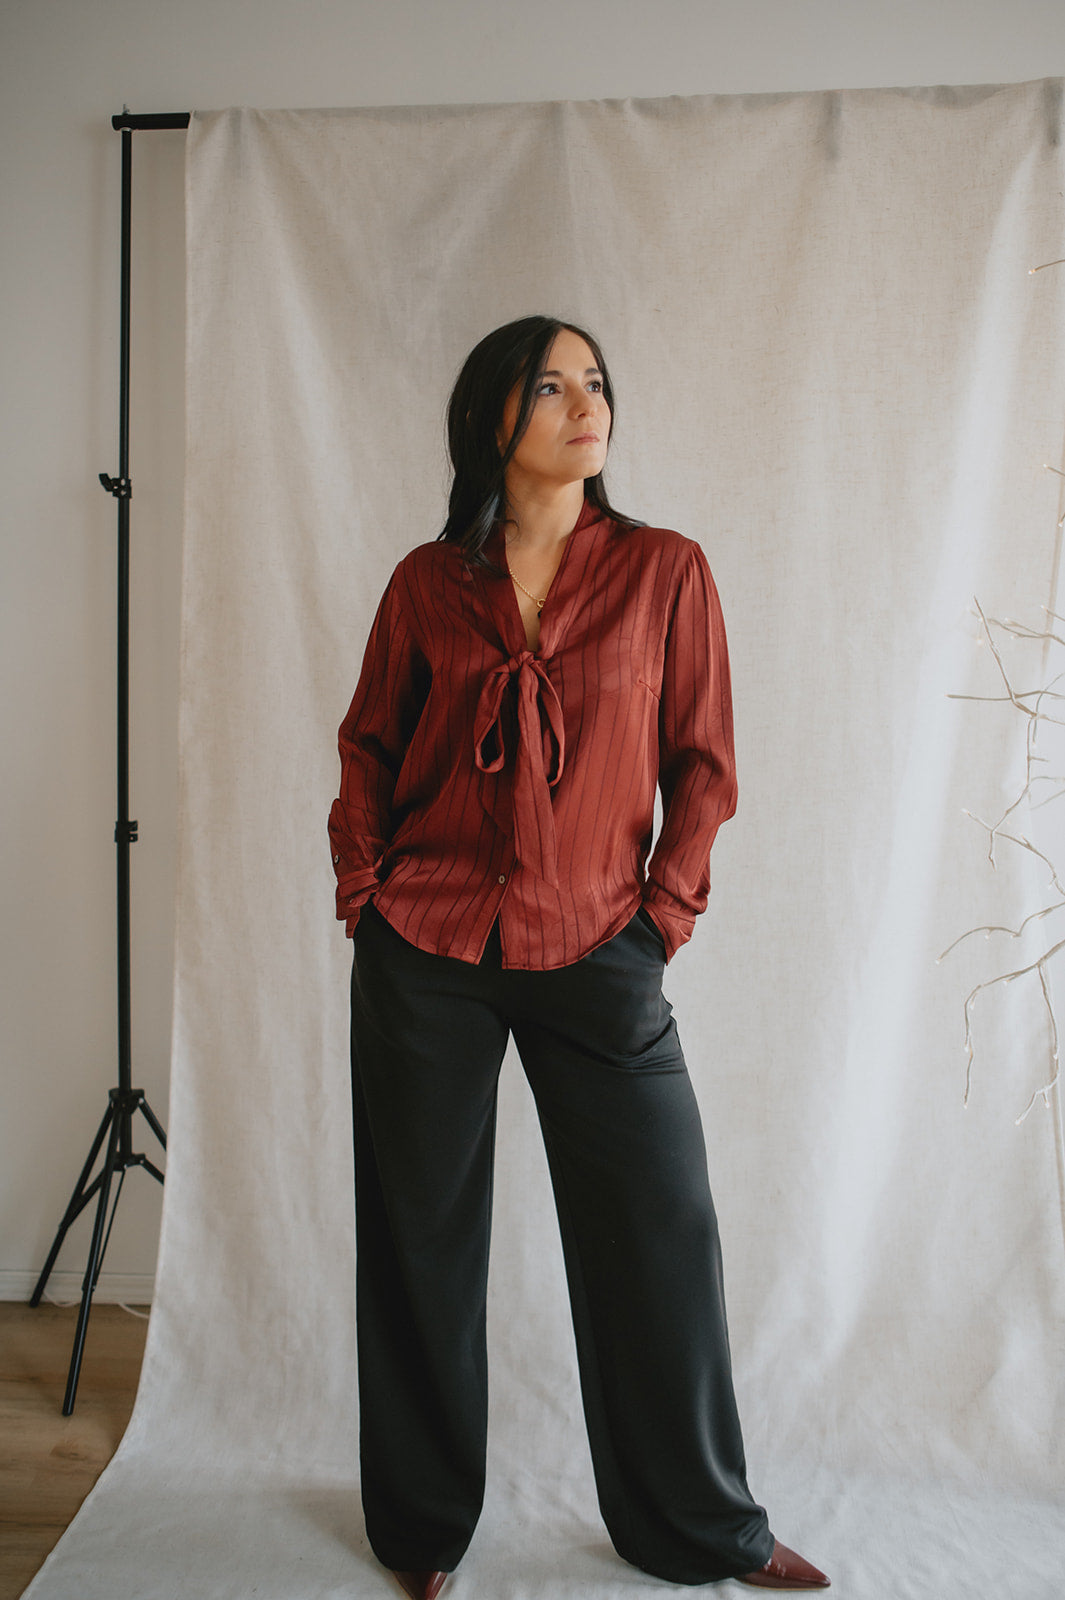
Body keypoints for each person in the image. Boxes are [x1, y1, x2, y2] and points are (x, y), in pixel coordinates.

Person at [329, 315, 829, 1600]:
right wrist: (365, 890)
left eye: (593, 382)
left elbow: (704, 765)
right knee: (420, 1242)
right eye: (549, 386)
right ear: (489, 418)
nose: (583, 403)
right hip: (426, 946)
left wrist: (660, 921)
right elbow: (369, 744)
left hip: (600, 944)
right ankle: (423, 1529)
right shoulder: (426, 585)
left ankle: (702, 1525)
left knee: (662, 1233)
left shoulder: (666, 571)